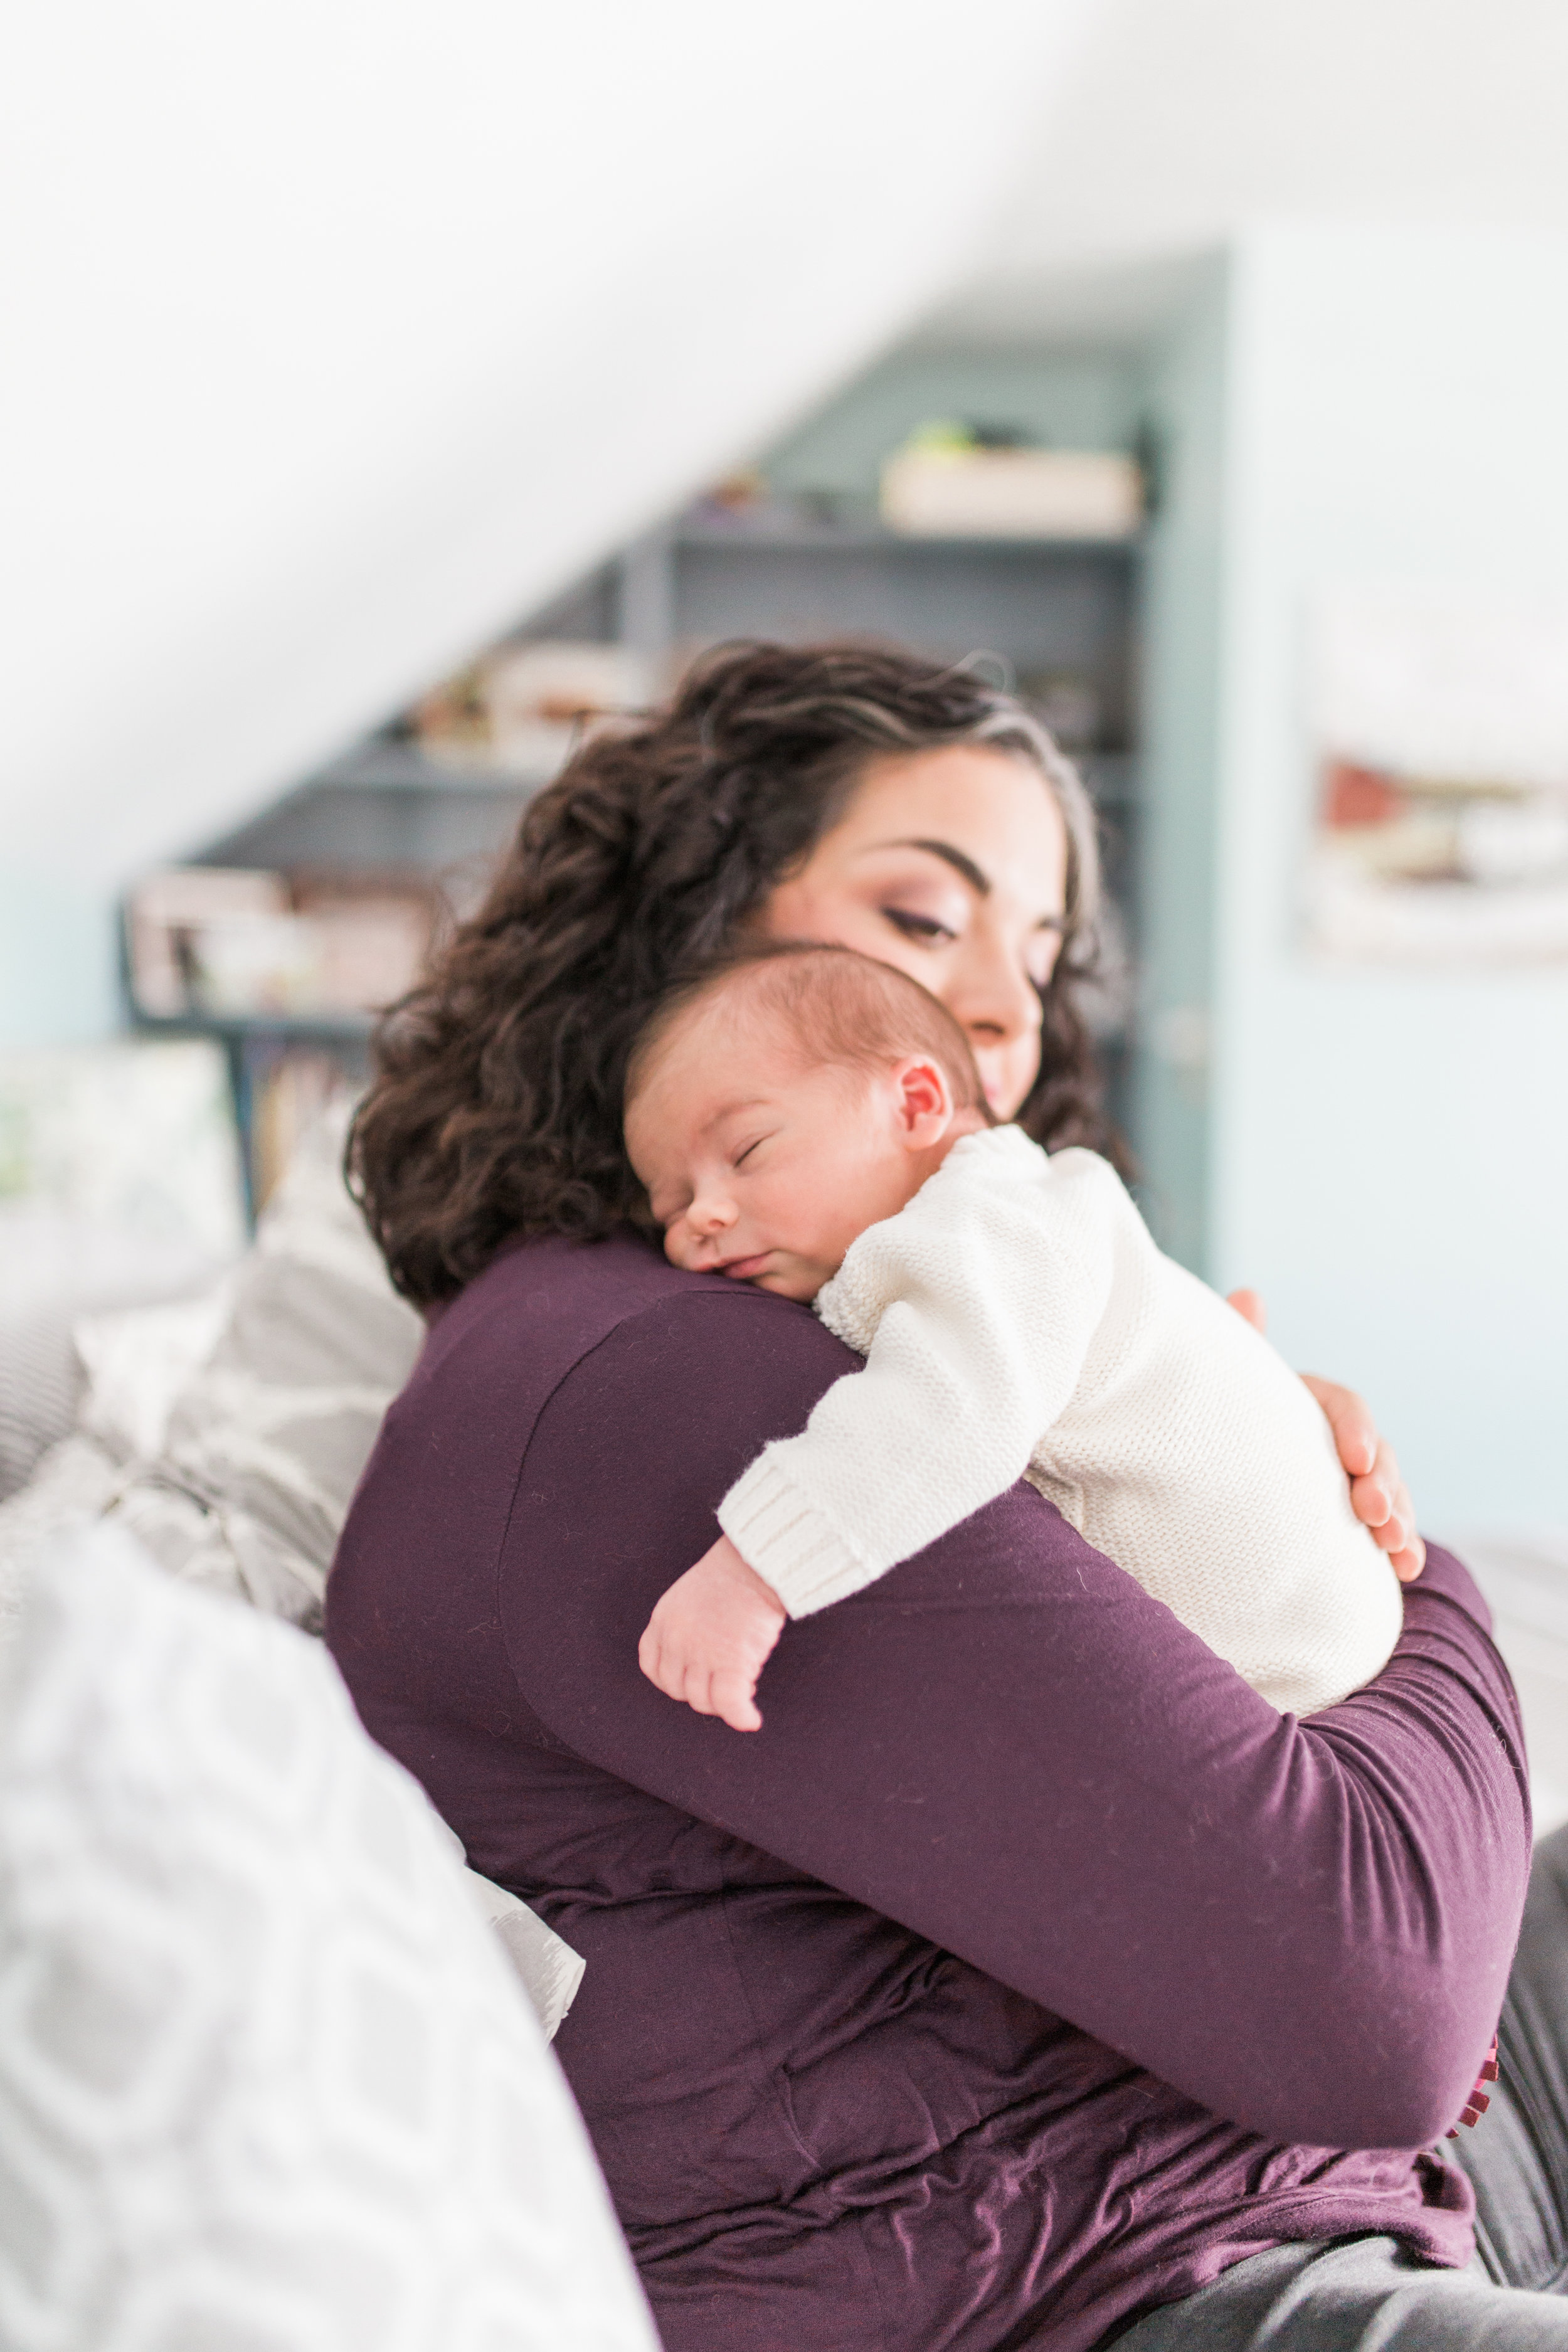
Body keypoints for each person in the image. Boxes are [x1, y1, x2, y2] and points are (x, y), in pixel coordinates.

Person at [329, 642, 1567, 2349]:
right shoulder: (670, 1390)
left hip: (1279, 2187)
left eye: (1038, 954)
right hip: (1146, 2275)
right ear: (683, 932)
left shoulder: (685, 1320)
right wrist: (1423, 1580)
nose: (1001, 1009)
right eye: (923, 918)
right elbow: (1382, 1998)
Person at [625, 941, 1401, 1734]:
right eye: (672, 1207)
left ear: (916, 1103)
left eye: (746, 1151)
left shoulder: (993, 1219)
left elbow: (947, 1413)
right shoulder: (1003, 1215)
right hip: (1307, 1642)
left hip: (1283, 1658)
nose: (701, 1222)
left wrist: (754, 1572)